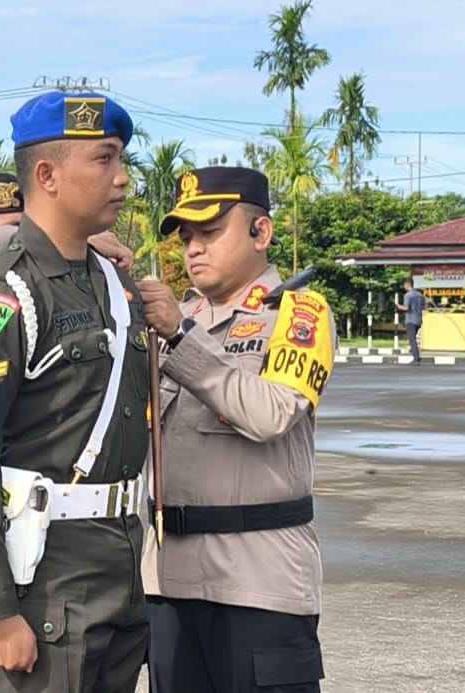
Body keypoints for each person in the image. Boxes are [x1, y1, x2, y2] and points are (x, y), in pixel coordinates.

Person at [0, 91, 150, 692]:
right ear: (49, 175)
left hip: (120, 568)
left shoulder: (113, 287)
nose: (123, 177)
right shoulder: (3, 296)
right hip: (46, 586)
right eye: (104, 160)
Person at [137, 166, 333, 693]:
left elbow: (270, 414)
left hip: (259, 582)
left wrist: (179, 341)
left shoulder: (297, 314)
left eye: (209, 231)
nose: (193, 248)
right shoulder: (174, 320)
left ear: (261, 233)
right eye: (185, 237)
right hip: (170, 580)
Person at [396, 279, 425, 364]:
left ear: (407, 285)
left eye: (405, 285)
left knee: (412, 339)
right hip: (419, 320)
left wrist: (398, 306)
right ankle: (413, 352)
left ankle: (416, 358)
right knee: (412, 339)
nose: (404, 287)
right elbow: (424, 306)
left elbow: (406, 308)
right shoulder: (420, 295)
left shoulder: (407, 296)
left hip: (410, 320)